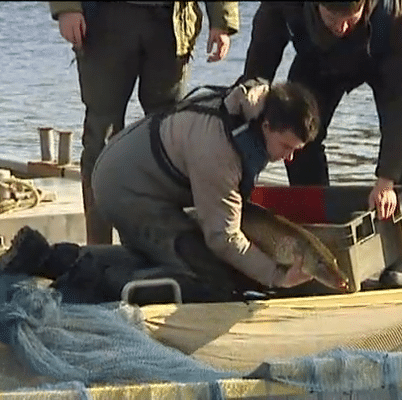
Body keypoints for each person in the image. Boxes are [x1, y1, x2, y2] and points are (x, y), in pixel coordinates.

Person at [0, 80, 321, 304]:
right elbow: (223, 239)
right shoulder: (221, 152)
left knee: (155, 253)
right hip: (126, 188)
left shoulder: (250, 109)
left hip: (134, 171)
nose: (289, 157)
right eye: (286, 147)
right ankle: (83, 277)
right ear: (267, 126)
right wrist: (276, 277)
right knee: (210, 279)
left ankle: (47, 255)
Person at [238, 0, 402, 287]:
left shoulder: (401, 13)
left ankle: (396, 259)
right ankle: (316, 244)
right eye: (333, 18)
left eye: (349, 19)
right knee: (297, 134)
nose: (342, 27)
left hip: (388, 54)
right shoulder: (283, 6)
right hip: (318, 58)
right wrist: (252, 102)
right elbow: (259, 65)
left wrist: (386, 179)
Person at [49, 1, 239, 245]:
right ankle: (98, 247)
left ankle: (164, 245)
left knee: (170, 139)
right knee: (101, 136)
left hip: (170, 22)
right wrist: (67, 8)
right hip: (106, 19)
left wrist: (222, 21)